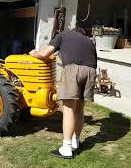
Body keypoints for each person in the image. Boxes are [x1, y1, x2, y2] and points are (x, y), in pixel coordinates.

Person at [29, 27, 97, 159]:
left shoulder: (63, 35)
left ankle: (66, 148)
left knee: (68, 109)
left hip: (73, 70)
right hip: (90, 71)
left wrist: (33, 53)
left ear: (72, 30)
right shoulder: (89, 41)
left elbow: (44, 54)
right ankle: (76, 141)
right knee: (79, 109)